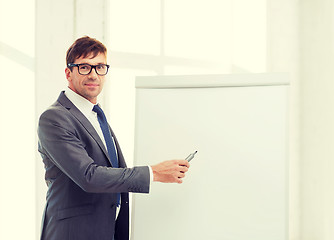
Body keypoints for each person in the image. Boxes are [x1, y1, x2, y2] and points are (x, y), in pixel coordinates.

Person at [37, 36, 190, 240]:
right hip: (73, 233)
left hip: (106, 231)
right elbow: (89, 176)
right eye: (84, 67)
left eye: (100, 67)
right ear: (68, 73)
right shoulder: (55, 117)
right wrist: (153, 173)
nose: (93, 75)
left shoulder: (95, 116)